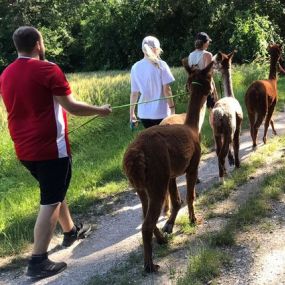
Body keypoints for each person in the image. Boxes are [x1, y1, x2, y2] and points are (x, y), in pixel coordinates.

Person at [0, 26, 112, 279]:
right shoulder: (48, 69)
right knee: (50, 200)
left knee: (54, 191)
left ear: (17, 46)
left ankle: (70, 231)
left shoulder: (5, 74)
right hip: (51, 148)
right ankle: (38, 260)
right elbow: (71, 107)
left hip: (24, 148)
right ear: (38, 43)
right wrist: (100, 109)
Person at [130, 35, 175, 129]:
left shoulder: (135, 67)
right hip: (161, 113)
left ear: (143, 50)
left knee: (152, 141)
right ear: (157, 49)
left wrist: (132, 114)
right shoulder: (161, 65)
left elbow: (134, 93)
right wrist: (172, 109)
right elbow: (167, 90)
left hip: (144, 114)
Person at [188, 32, 218, 132]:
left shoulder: (191, 55)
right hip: (205, 88)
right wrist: (214, 91)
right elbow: (208, 75)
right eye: (208, 42)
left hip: (194, 88)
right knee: (213, 114)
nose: (209, 44)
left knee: (195, 113)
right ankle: (217, 137)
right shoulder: (207, 55)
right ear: (205, 43)